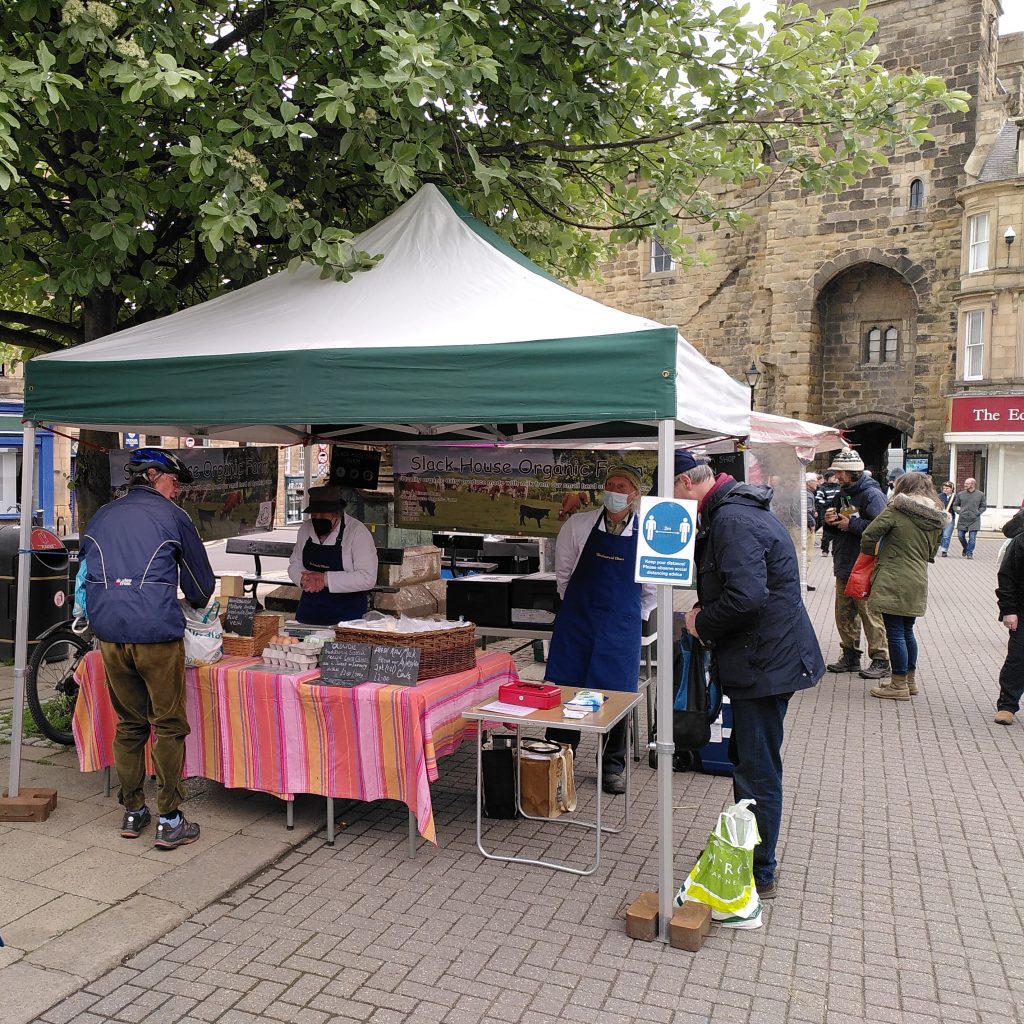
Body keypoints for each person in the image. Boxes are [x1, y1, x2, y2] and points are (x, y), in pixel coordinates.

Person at [676, 452, 824, 900]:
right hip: (763, 657)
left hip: (765, 662)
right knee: (748, 759)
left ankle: (760, 869)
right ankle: (749, 852)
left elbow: (746, 597)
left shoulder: (731, 519)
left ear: (685, 482)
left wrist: (701, 621)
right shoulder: (730, 512)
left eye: (669, 490)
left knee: (757, 768)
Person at [80, 448, 215, 849]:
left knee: (130, 723)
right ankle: (170, 819)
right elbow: (201, 586)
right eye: (174, 482)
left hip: (110, 635)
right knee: (168, 724)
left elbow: (86, 573)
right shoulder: (173, 516)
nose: (177, 491)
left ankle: (133, 810)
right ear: (154, 476)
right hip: (155, 634)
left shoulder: (102, 515)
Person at [544, 463, 656, 795]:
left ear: (634, 494)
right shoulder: (578, 525)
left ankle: (612, 766)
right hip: (578, 622)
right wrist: (578, 609)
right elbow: (563, 574)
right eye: (611, 484)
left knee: (617, 695)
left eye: (622, 486)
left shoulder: (648, 533)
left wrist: (633, 617)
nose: (614, 491)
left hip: (621, 627)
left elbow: (651, 589)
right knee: (568, 689)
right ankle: (559, 758)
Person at [858, 472, 945, 700]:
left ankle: (898, 685)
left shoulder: (897, 509)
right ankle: (909, 681)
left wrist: (872, 554)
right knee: (907, 630)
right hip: (918, 577)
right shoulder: (938, 516)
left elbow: (869, 534)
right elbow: (933, 551)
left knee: (895, 632)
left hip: (893, 576)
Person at [821, 448, 890, 679]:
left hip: (864, 564)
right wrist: (830, 521)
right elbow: (837, 525)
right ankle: (850, 655)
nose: (836, 476)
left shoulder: (872, 495)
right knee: (844, 613)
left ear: (852, 472)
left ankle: (881, 659)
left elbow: (880, 529)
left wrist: (850, 524)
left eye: (840, 472)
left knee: (869, 613)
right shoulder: (842, 493)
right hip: (844, 561)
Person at [287, 485, 379, 625]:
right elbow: (295, 564)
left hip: (348, 612)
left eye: (323, 516)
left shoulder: (357, 532)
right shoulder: (305, 529)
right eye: (314, 516)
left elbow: (368, 577)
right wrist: (304, 580)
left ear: (337, 514)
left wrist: (324, 579)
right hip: (310, 608)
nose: (317, 520)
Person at [995, 510, 1024, 725]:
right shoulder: (1020, 541)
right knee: (1018, 658)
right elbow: (1006, 576)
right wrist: (1009, 610)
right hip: (1022, 610)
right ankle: (1007, 705)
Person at [953, 478, 986, 559]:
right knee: (960, 536)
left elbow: (983, 506)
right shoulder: (960, 494)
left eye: (967, 483)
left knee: (972, 538)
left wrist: (977, 513)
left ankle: (969, 553)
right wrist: (958, 511)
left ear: (973, 484)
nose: (965, 485)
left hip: (974, 519)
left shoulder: (980, 495)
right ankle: (966, 548)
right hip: (963, 519)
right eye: (965, 483)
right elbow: (955, 505)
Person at [816, 471, 841, 556]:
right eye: (833, 477)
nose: (835, 479)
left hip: (837, 512)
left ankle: (835, 551)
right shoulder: (823, 488)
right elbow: (818, 500)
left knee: (837, 531)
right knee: (826, 532)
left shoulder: (839, 487)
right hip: (826, 512)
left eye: (836, 477)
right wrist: (828, 503)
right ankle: (825, 550)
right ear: (827, 478)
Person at [938, 481, 956, 557]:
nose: (945, 490)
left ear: (951, 489)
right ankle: (940, 545)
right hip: (940, 517)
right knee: (940, 534)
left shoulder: (955, 497)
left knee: (946, 535)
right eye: (944, 488)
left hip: (950, 518)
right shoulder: (939, 496)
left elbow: (957, 506)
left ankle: (944, 550)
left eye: (947, 488)